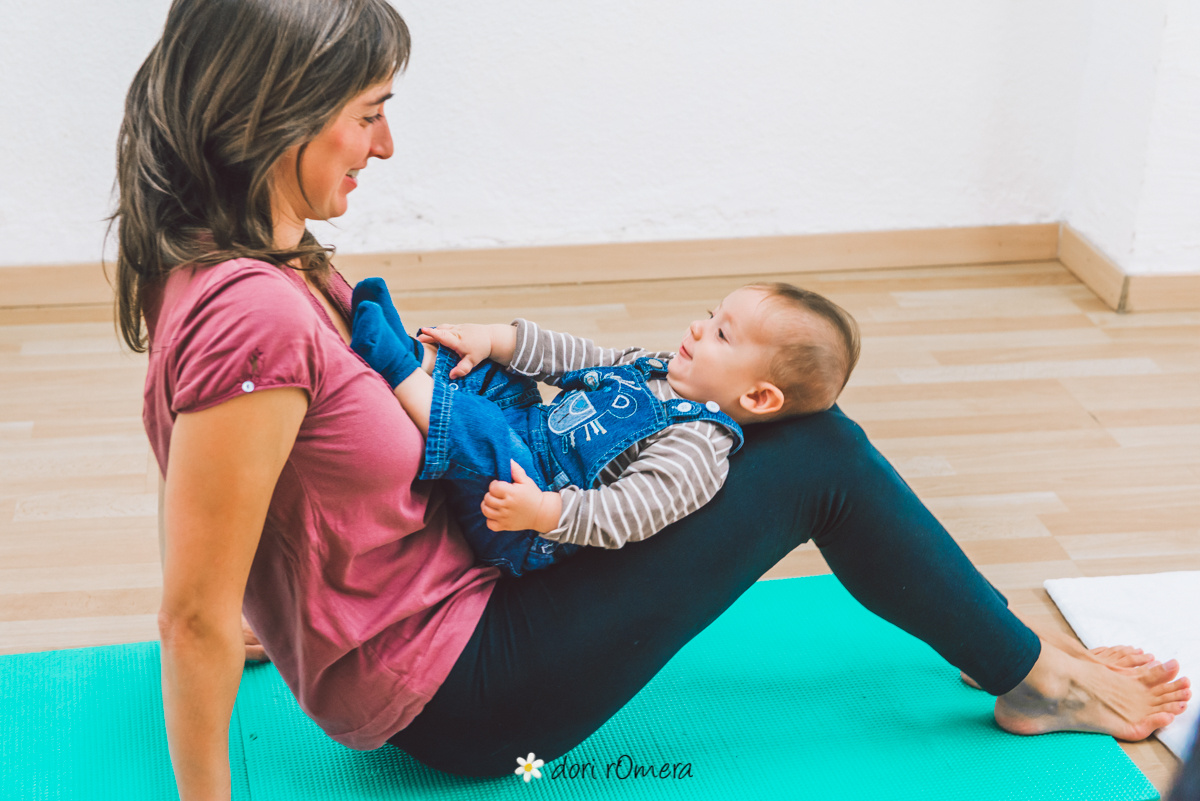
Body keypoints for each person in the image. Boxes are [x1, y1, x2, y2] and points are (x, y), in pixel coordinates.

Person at [116, 0, 1190, 796]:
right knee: (817, 453)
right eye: (369, 114)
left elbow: (276, 486)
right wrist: (255, 638)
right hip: (463, 696)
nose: (386, 145)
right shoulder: (257, 316)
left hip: (436, 615)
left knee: (765, 434)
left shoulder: (243, 255)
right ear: (280, 113)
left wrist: (301, 613)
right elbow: (190, 610)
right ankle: (1032, 677)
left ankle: (992, 643)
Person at [344, 279, 860, 577]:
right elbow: (580, 357)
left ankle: (398, 370)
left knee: (484, 433)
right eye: (711, 315)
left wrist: (544, 512)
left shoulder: (698, 446)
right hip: (535, 431)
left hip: (528, 515)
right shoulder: (658, 369)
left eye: (722, 335)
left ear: (757, 397)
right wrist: (495, 339)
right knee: (499, 377)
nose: (698, 327)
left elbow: (631, 511)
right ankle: (419, 353)